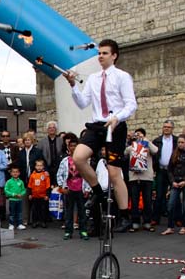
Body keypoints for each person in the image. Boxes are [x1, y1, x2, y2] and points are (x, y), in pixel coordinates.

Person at [64, 39, 137, 233]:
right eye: (99, 53)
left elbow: (131, 104)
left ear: (114, 55)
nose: (100, 56)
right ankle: (98, 192)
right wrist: (73, 85)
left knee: (114, 173)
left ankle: (124, 216)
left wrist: (117, 117)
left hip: (115, 126)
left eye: (105, 53)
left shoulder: (123, 77)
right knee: (78, 157)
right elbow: (82, 103)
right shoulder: (94, 79)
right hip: (97, 125)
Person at [161, 134, 185, 236]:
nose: (180, 144)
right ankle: (170, 227)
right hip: (175, 182)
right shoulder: (174, 154)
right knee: (171, 204)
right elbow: (169, 169)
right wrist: (172, 181)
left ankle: (184, 226)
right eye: (179, 142)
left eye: (182, 142)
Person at [57, 136, 91, 240]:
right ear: (68, 147)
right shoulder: (65, 161)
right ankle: (68, 231)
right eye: (71, 146)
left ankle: (83, 230)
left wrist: (87, 189)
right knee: (69, 211)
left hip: (80, 188)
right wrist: (62, 187)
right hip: (69, 189)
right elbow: (60, 174)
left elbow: (89, 174)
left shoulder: (84, 160)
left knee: (82, 211)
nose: (73, 148)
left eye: (75, 146)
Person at [124, 128, 158, 233]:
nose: (138, 136)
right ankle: (135, 222)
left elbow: (155, 150)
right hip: (134, 177)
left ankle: (147, 222)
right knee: (134, 201)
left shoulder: (148, 146)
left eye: (140, 134)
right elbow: (125, 152)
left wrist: (146, 141)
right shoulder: (131, 148)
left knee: (147, 200)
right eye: (137, 134)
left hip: (146, 177)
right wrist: (132, 142)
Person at [152, 120, 178, 226]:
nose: (166, 128)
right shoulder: (157, 141)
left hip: (173, 171)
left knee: (175, 194)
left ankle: (177, 218)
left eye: (168, 127)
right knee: (159, 195)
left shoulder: (176, 141)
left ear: (172, 129)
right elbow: (154, 155)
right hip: (161, 170)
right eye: (164, 127)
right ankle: (155, 218)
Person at [18, 132, 44, 225]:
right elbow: (19, 165)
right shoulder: (21, 153)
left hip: (36, 179)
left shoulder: (37, 151)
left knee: (36, 200)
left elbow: (42, 163)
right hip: (24, 179)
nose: (27, 141)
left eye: (29, 140)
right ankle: (25, 219)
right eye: (25, 140)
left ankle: (36, 219)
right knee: (25, 200)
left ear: (32, 141)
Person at [38, 121, 63, 186]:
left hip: (59, 167)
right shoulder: (42, 141)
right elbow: (39, 156)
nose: (52, 129)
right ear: (47, 130)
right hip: (47, 167)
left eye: (53, 127)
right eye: (50, 128)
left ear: (56, 129)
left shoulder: (61, 140)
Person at [28, 159, 51, 228]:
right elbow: (30, 185)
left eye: (41, 165)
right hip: (35, 196)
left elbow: (48, 185)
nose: (39, 167)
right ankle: (35, 222)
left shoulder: (45, 175)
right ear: (35, 166)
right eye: (37, 165)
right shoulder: (32, 175)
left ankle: (43, 222)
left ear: (43, 166)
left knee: (43, 210)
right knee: (35, 209)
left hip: (43, 196)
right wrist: (30, 194)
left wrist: (47, 195)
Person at [4, 165, 26, 230]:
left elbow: (23, 190)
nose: (15, 173)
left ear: (19, 173)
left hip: (19, 200)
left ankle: (19, 224)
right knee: (12, 213)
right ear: (11, 173)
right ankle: (11, 224)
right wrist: (13, 194)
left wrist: (21, 194)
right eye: (13, 172)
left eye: (16, 172)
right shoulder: (9, 182)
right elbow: (6, 190)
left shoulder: (21, 181)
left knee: (19, 213)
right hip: (12, 200)